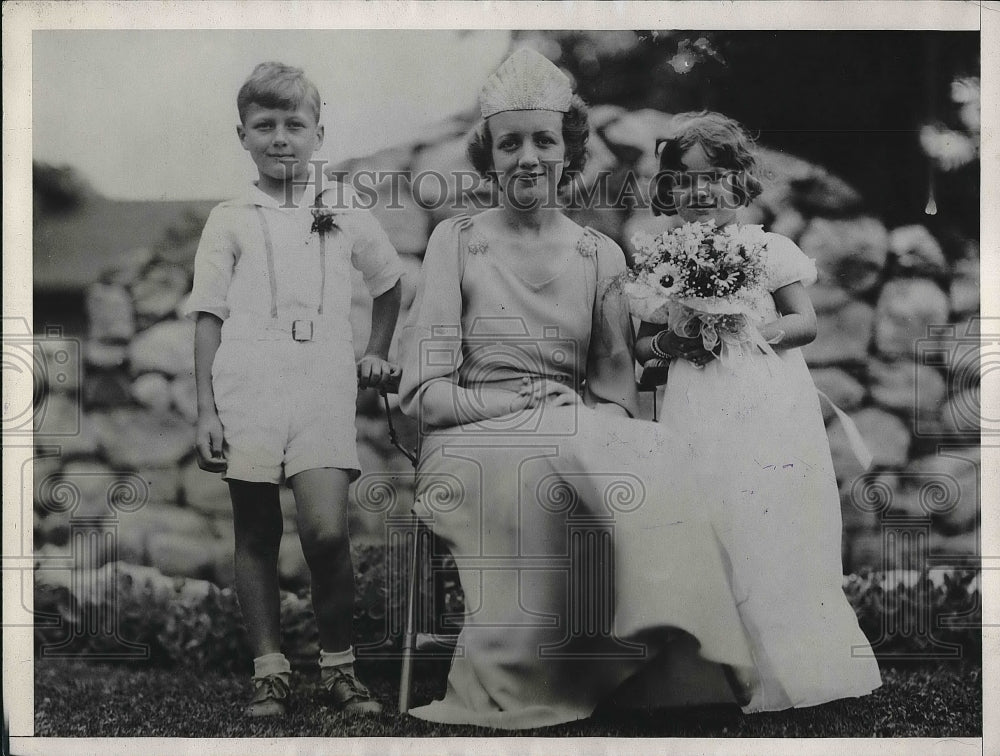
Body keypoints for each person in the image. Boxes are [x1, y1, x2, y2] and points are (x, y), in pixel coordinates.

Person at [397, 50, 758, 729]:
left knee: (652, 448)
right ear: (490, 155)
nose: (528, 157)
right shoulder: (456, 242)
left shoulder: (601, 255)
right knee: (548, 457)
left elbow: (614, 386)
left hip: (570, 425)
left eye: (544, 140)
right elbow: (425, 398)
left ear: (569, 149)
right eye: (511, 143)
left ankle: (674, 674)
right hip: (468, 437)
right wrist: (526, 407)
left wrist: (600, 419)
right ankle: (543, 679)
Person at [635, 111, 883, 712]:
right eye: (685, 180)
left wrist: (747, 329)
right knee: (708, 508)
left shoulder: (767, 249)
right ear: (669, 190)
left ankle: (800, 663)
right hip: (697, 398)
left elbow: (806, 322)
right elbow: (643, 343)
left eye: (713, 176)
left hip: (766, 397)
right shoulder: (664, 258)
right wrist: (678, 339)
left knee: (772, 514)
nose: (699, 192)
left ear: (741, 180)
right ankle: (723, 670)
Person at [185, 62, 404, 717]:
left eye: (294, 125)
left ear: (318, 133)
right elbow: (208, 316)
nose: (280, 138)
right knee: (256, 532)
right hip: (247, 384)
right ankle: (269, 672)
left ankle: (340, 668)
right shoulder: (229, 218)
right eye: (265, 125)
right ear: (243, 135)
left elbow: (390, 283)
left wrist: (375, 352)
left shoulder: (342, 209)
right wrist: (205, 410)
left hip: (321, 385)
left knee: (326, 531)